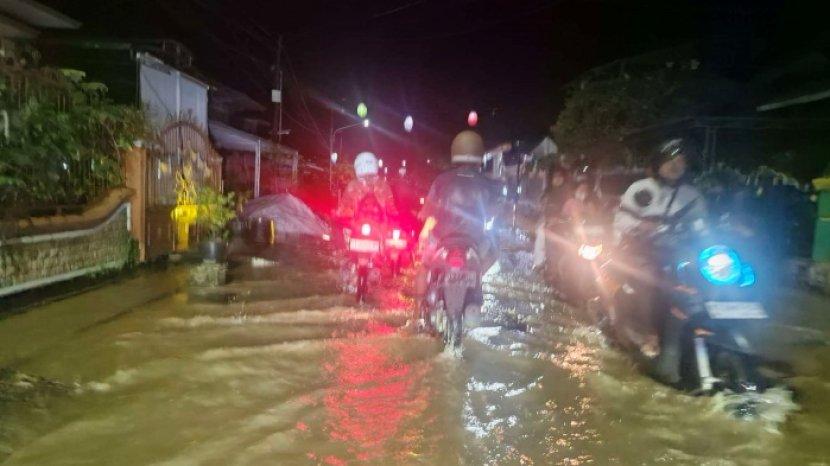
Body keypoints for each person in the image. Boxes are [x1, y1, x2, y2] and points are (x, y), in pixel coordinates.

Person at [612, 137, 708, 385]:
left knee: (715, 277)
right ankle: (649, 334)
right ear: (658, 164)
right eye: (670, 161)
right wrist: (641, 226)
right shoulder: (641, 189)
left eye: (681, 161)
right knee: (648, 279)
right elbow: (621, 220)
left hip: (679, 255)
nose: (675, 166)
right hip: (642, 252)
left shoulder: (692, 196)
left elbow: (703, 227)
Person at [415, 130, 499, 308]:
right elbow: (494, 215)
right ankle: (475, 283)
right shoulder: (488, 184)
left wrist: (423, 235)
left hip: (442, 238)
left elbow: (430, 213)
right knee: (492, 252)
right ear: (479, 154)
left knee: (423, 267)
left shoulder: (442, 180)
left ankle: (419, 310)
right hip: (474, 241)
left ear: (456, 151)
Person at [336, 151, 398, 220]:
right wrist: (340, 213)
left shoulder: (382, 184)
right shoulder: (353, 185)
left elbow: (391, 206)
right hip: (357, 222)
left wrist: (395, 215)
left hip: (379, 222)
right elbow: (344, 204)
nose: (367, 178)